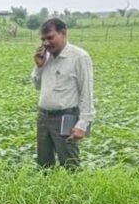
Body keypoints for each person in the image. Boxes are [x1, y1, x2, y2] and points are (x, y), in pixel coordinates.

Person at [31, 18, 94, 169]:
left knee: (70, 164)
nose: (46, 43)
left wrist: (83, 124)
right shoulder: (45, 57)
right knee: (44, 164)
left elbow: (87, 92)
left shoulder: (79, 57)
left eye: (50, 37)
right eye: (43, 39)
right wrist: (39, 66)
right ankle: (48, 191)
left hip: (66, 117)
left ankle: (74, 192)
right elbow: (37, 86)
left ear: (63, 33)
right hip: (44, 117)